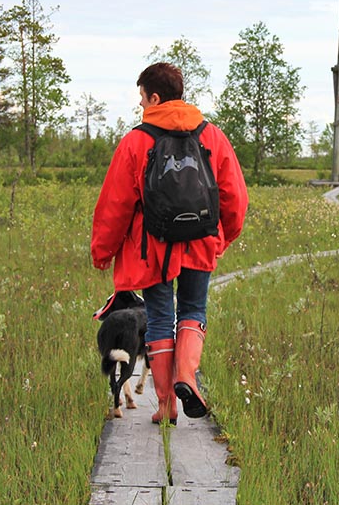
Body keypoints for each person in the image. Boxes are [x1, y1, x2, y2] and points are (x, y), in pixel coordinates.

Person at [91, 62, 248, 424]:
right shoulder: (213, 136)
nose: (141, 105)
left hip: (153, 250)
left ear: (155, 97)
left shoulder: (136, 141)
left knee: (160, 320)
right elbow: (234, 196)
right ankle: (186, 377)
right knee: (193, 310)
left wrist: (102, 251)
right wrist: (224, 235)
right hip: (201, 242)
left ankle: (165, 406)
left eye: (142, 98)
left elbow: (115, 204)